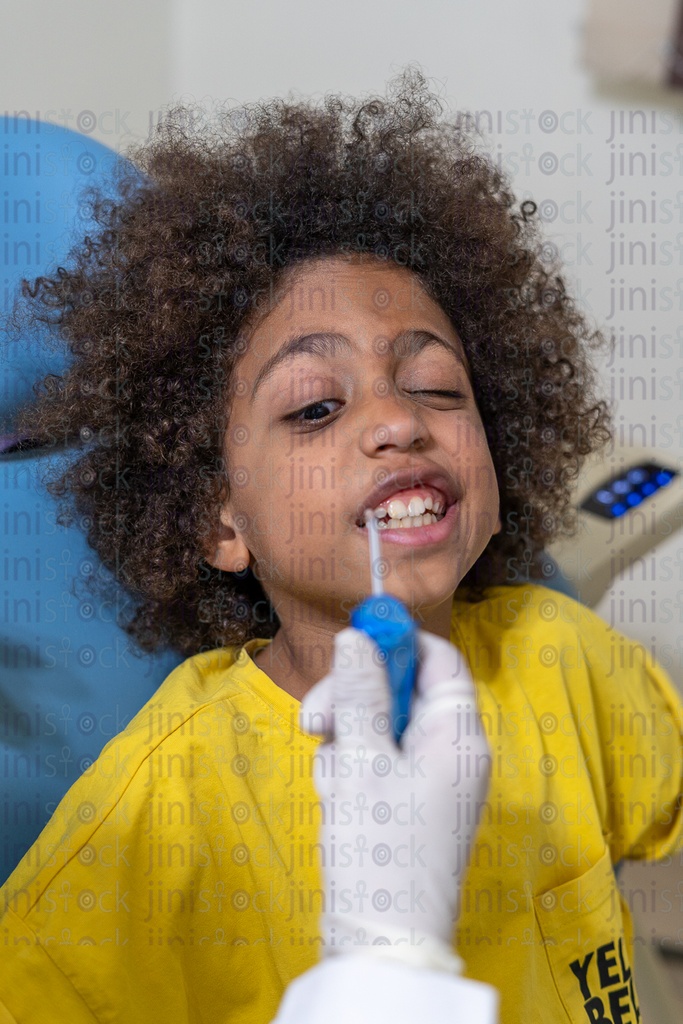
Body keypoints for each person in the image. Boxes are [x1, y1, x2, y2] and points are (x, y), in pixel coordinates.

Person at [1, 72, 681, 1023]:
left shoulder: (568, 661)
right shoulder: (151, 827)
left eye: (438, 387)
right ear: (218, 521)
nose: (398, 422)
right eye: (316, 405)